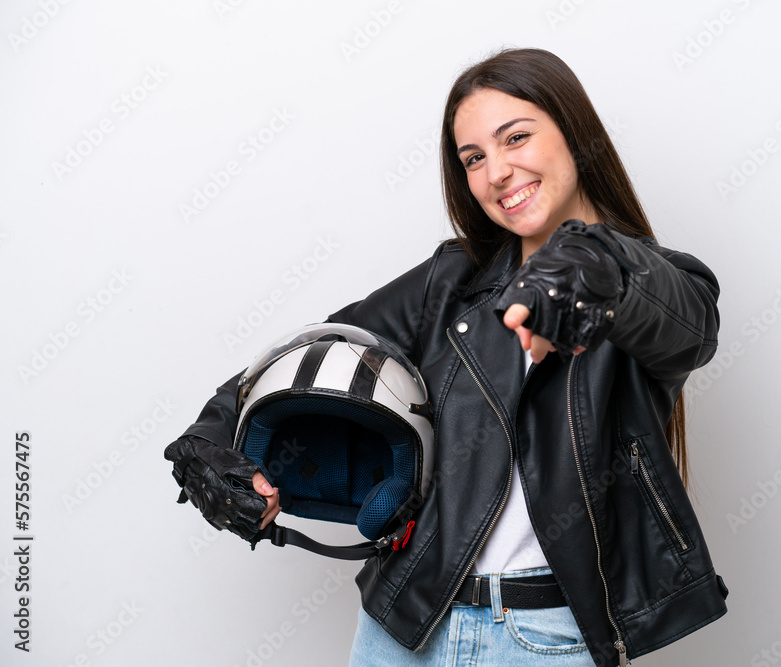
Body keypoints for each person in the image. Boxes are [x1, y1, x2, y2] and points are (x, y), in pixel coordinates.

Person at [166, 47, 728, 666]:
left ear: (573, 133)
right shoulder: (450, 281)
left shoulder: (658, 285)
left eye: (516, 137)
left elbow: (685, 325)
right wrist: (214, 451)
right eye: (474, 159)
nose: (498, 173)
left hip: (547, 641)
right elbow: (303, 359)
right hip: (404, 627)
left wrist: (584, 269)